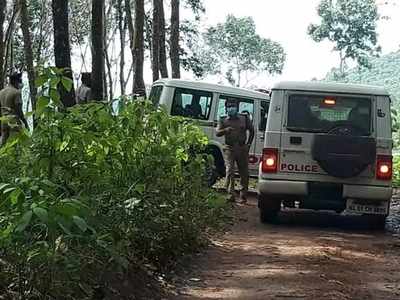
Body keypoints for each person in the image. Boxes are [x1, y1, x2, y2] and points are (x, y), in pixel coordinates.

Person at [216, 98, 255, 203]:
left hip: (242, 148)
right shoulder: (223, 119)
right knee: (230, 170)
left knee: (244, 172)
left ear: (237, 107)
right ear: (226, 108)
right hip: (229, 148)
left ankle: (243, 195)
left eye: (233, 105)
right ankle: (230, 194)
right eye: (229, 106)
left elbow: (252, 131)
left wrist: (248, 144)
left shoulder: (244, 118)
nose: (231, 108)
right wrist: (225, 130)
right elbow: (217, 133)